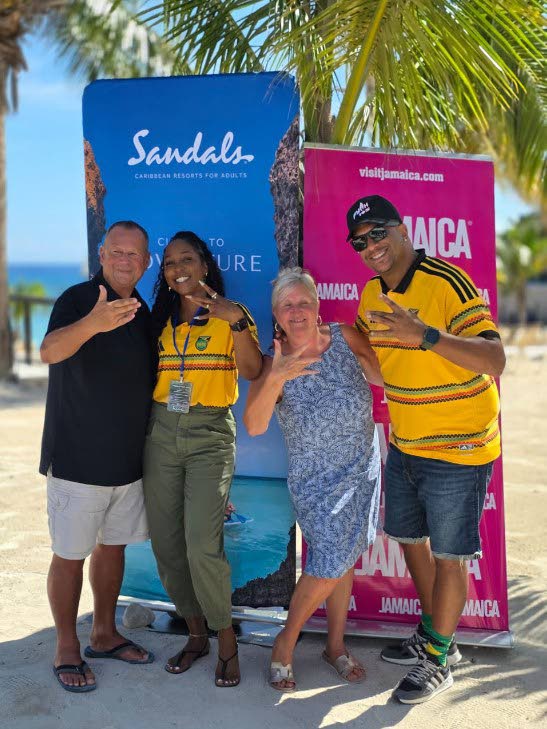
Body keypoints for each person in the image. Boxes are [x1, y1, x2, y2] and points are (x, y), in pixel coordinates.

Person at [346, 194, 506, 704]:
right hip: (407, 442)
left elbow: (495, 359)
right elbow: (383, 369)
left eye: (378, 233)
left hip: (459, 445)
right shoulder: (369, 296)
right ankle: (438, 634)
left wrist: (427, 336)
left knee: (450, 555)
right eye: (359, 241)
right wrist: (341, 345)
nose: (371, 246)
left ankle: (438, 660)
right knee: (410, 539)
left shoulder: (447, 281)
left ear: (402, 229)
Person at [244, 267, 383, 692]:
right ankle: (285, 643)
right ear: (276, 315)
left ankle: (335, 646)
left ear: (317, 306)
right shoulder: (273, 362)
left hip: (360, 469)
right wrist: (278, 376)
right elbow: (253, 424)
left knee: (341, 558)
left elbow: (384, 376)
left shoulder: (345, 338)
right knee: (330, 559)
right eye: (287, 305)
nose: (297, 310)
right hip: (315, 483)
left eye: (304, 301)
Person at [40, 221, 156, 693]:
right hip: (77, 460)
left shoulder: (144, 313)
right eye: (117, 252)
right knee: (69, 555)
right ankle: (66, 646)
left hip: (127, 462)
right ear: (102, 254)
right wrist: (93, 323)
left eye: (134, 254)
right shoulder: (78, 299)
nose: (125, 260)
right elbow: (49, 351)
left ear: (146, 262)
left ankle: (104, 634)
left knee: (113, 548)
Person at [142, 231, 262, 688]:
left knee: (201, 546)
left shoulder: (232, 314)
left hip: (210, 432)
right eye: (170, 262)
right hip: (161, 432)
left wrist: (236, 322)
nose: (178, 268)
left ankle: (226, 639)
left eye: (187, 259)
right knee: (166, 545)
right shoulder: (159, 318)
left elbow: (252, 370)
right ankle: (195, 635)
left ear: (205, 265)